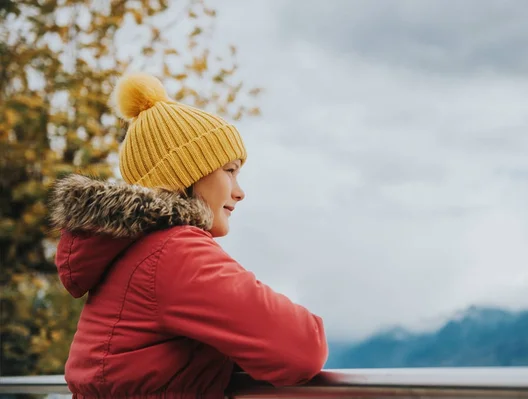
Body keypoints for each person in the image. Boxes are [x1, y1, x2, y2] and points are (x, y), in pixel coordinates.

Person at [48, 73, 328, 398]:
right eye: (230, 170)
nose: (239, 192)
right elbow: (302, 350)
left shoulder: (134, 250)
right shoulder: (172, 252)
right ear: (186, 175)